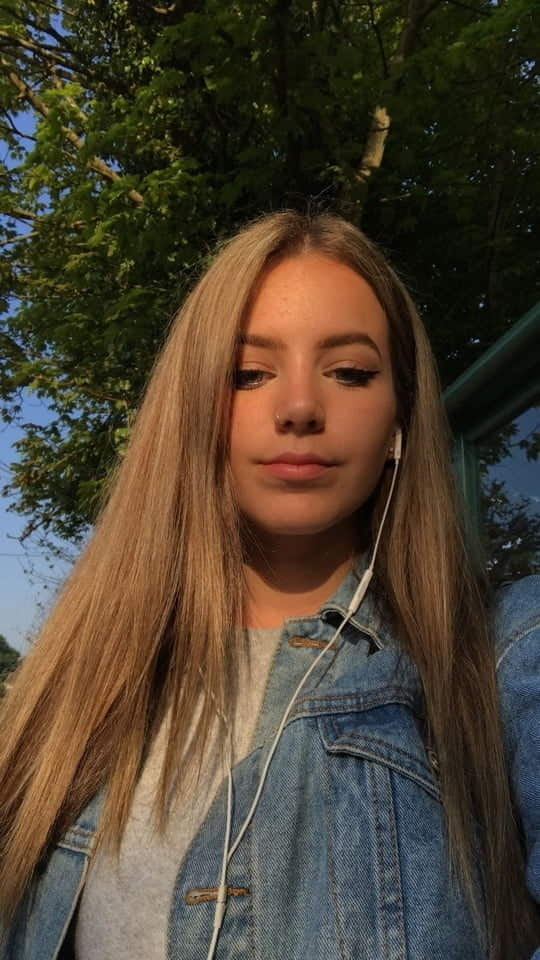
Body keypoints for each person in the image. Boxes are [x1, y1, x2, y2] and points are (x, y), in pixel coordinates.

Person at [0, 210, 538, 960]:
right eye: (248, 374)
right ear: (193, 410)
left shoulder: (505, 652)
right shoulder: (82, 684)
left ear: (400, 420)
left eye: (349, 372)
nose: (300, 408)